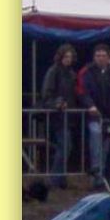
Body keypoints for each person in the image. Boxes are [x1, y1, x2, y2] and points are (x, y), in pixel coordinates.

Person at [77, 44, 110, 190]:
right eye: (98, 55)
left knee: (106, 146)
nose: (101, 58)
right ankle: (96, 173)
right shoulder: (87, 72)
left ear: (107, 57)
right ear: (94, 57)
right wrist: (90, 105)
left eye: (103, 55)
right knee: (96, 136)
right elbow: (81, 91)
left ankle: (103, 176)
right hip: (93, 115)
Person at [40, 43, 78, 189]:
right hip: (57, 116)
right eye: (66, 56)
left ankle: (60, 177)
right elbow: (46, 94)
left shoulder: (71, 74)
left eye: (70, 57)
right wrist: (57, 103)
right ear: (60, 57)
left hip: (68, 116)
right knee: (65, 145)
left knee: (66, 146)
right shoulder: (53, 72)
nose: (68, 59)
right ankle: (55, 178)